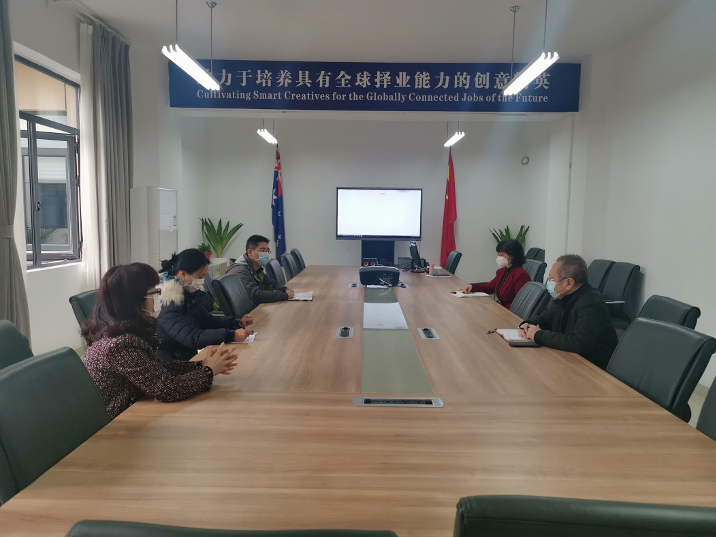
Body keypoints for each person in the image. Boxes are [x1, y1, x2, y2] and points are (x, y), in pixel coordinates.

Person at [82, 262, 239, 419]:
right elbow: (167, 389)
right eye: (153, 293)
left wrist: (202, 364)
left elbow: (158, 368)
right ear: (135, 300)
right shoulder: (119, 344)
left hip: (138, 409)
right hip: (120, 421)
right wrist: (209, 371)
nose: (155, 299)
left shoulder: (120, 329)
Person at [518, 254, 618, 370]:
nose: (548, 283)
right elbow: (545, 318)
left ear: (569, 283)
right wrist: (528, 324)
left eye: (551, 279)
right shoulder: (563, 297)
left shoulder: (592, 305)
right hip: (566, 360)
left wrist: (538, 334)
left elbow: (577, 343)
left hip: (591, 369)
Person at [156, 248, 254, 361]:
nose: (202, 282)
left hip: (189, 358)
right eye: (200, 277)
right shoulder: (170, 305)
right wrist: (231, 335)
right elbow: (193, 337)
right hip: (174, 364)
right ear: (183, 273)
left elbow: (210, 322)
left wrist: (236, 323)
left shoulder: (188, 296)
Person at [461, 239, 531, 310]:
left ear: (513, 256)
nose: (499, 257)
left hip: (510, 312)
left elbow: (520, 304)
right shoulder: (503, 270)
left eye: (502, 255)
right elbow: (489, 287)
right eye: (498, 254)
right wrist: (472, 287)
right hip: (501, 309)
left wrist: (498, 308)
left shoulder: (521, 275)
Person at [225, 234, 295, 305]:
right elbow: (256, 295)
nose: (266, 254)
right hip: (246, 311)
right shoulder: (240, 271)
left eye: (267, 251)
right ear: (250, 253)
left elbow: (270, 282)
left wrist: (284, 289)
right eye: (263, 250)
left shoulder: (254, 267)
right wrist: (285, 295)